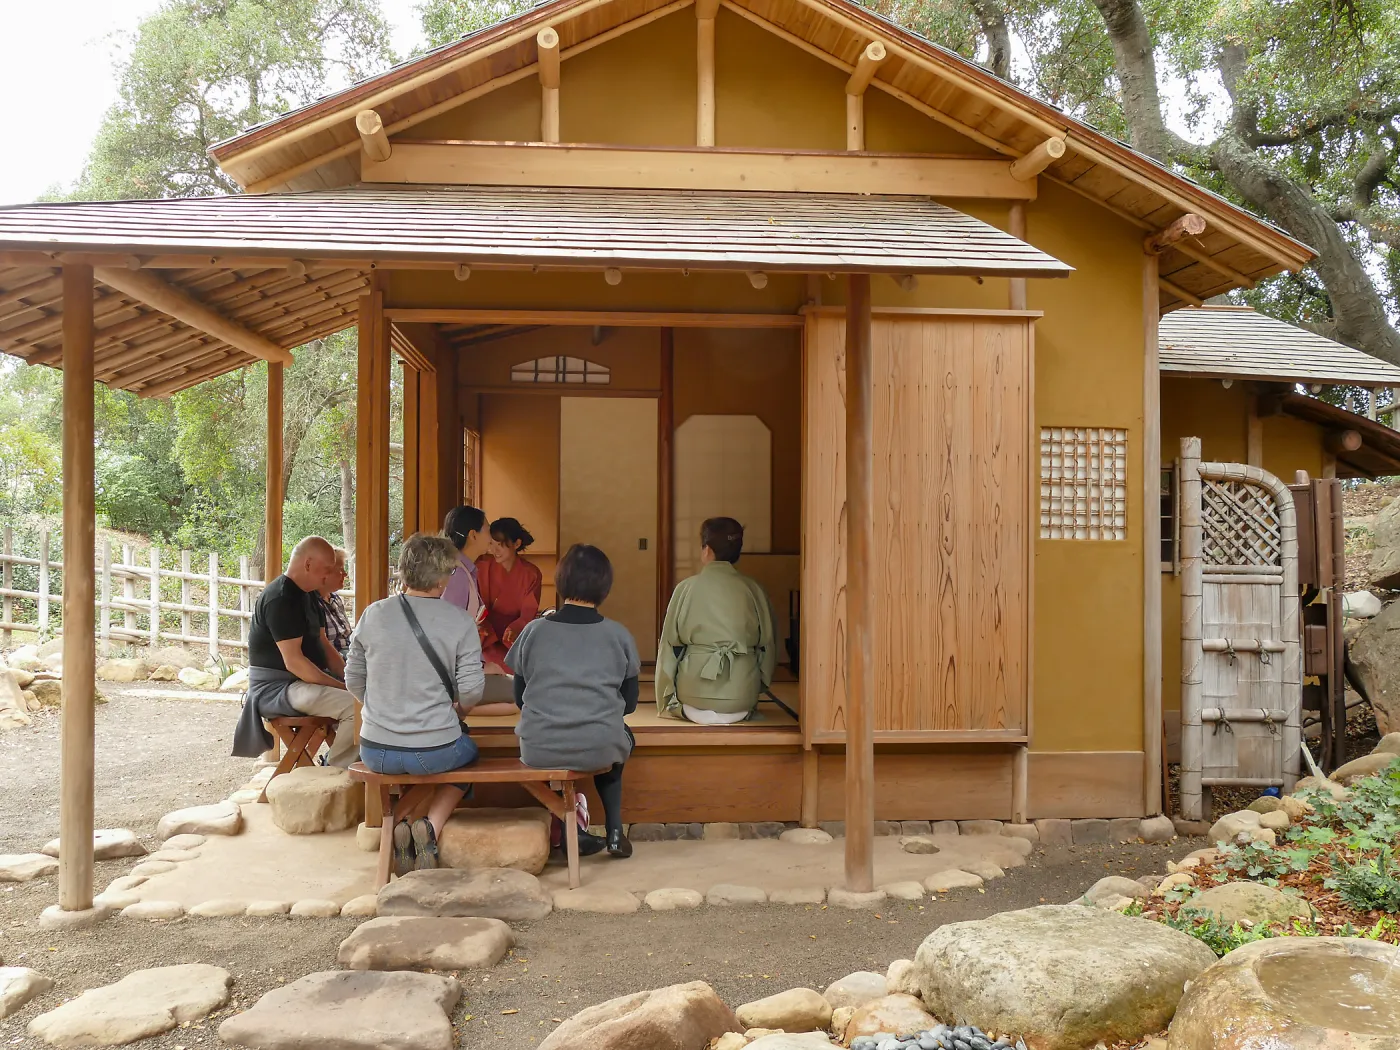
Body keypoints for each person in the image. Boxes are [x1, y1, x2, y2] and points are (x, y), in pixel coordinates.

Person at [346, 533, 486, 873]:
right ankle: (430, 828)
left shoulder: (373, 614)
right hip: (436, 749)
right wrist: (458, 711)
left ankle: (401, 827)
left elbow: (353, 679)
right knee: (468, 755)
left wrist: (384, 705)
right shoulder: (459, 621)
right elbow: (471, 692)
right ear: (442, 578)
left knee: (411, 764)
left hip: (375, 750)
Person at [507, 543, 638, 859]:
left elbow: (519, 697)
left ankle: (571, 829)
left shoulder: (533, 631)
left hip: (539, 745)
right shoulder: (618, 635)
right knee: (618, 737)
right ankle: (616, 831)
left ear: (561, 582)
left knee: (559, 744)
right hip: (600, 742)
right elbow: (631, 703)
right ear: (604, 587)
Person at [231, 536, 358, 765]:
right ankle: (334, 774)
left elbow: (325, 646)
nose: (328, 574)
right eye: (326, 568)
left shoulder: (309, 595)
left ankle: (344, 769)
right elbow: (295, 663)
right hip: (276, 688)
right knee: (354, 707)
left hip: (301, 682)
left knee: (361, 700)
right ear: (308, 564)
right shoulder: (280, 598)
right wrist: (343, 687)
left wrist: (351, 679)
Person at [655, 517, 778, 724]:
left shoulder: (686, 588)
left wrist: (664, 698)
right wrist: (755, 688)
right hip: (741, 699)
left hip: (693, 699)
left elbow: (668, 649)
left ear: (706, 550)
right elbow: (768, 648)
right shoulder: (754, 590)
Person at [441, 506, 516, 715]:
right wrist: (480, 668)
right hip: (452, 674)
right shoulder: (456, 575)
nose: (491, 537)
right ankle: (449, 710)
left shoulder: (465, 570)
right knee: (521, 695)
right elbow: (447, 632)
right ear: (473, 535)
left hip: (462, 668)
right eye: (487, 530)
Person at [476, 517, 542, 672]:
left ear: (516, 544)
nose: (494, 551)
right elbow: (475, 605)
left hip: (514, 640)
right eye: (492, 544)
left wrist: (514, 629)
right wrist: (481, 625)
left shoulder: (531, 574)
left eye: (500, 545)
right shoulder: (481, 567)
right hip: (485, 638)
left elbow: (528, 614)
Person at [315, 546, 352, 664]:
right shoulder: (311, 603)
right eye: (340, 569)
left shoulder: (336, 599)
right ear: (325, 572)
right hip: (334, 663)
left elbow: (348, 636)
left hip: (350, 655)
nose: (345, 574)